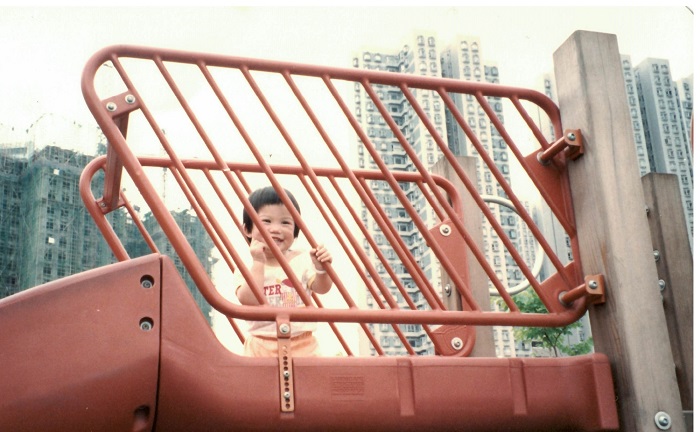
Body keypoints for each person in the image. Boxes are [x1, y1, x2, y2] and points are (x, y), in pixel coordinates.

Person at [234, 186, 333, 357]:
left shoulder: (301, 259)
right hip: (260, 342)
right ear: (248, 230)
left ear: (295, 232)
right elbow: (249, 300)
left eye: (285, 222)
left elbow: (321, 288)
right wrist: (258, 262)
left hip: (303, 341)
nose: (276, 229)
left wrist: (321, 268)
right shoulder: (246, 265)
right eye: (266, 221)